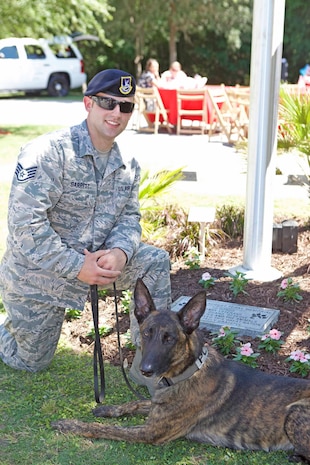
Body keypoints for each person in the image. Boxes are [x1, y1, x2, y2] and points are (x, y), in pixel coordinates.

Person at [0, 69, 172, 390]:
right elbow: (26, 226)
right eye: (108, 103)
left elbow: (130, 217)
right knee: (31, 362)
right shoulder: (49, 153)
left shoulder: (129, 163)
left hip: (97, 264)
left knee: (153, 261)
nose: (116, 113)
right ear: (88, 103)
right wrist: (78, 267)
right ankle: (7, 329)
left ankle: (152, 363)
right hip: (40, 274)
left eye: (126, 106)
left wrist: (121, 252)